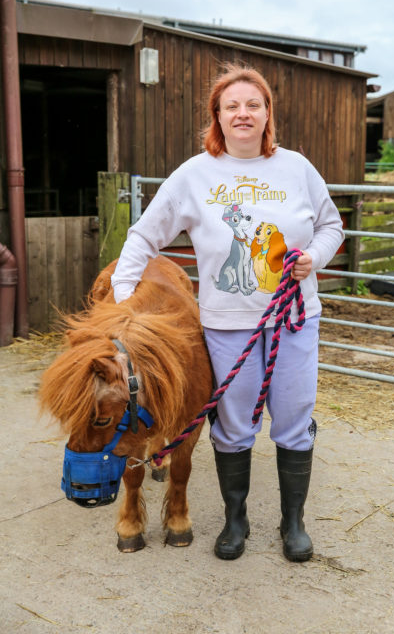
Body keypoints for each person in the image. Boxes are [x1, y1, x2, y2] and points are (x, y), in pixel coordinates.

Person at [111, 64, 345, 562]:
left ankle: (293, 523)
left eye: (253, 105)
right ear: (217, 116)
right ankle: (235, 521)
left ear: (267, 114)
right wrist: (122, 298)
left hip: (294, 318)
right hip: (227, 323)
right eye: (231, 106)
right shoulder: (194, 175)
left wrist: (314, 260)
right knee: (234, 424)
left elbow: (331, 226)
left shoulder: (297, 167)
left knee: (294, 420)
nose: (243, 113)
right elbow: (143, 236)